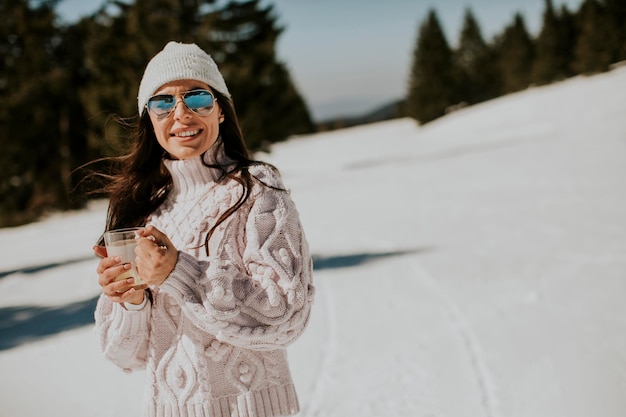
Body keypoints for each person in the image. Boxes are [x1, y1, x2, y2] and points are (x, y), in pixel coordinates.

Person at [93, 41, 314, 417]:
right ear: (149, 118)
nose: (181, 114)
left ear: (221, 112)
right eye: (162, 103)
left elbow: (288, 315)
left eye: (197, 99)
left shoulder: (258, 191)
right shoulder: (144, 210)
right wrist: (128, 301)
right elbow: (126, 356)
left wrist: (179, 272)